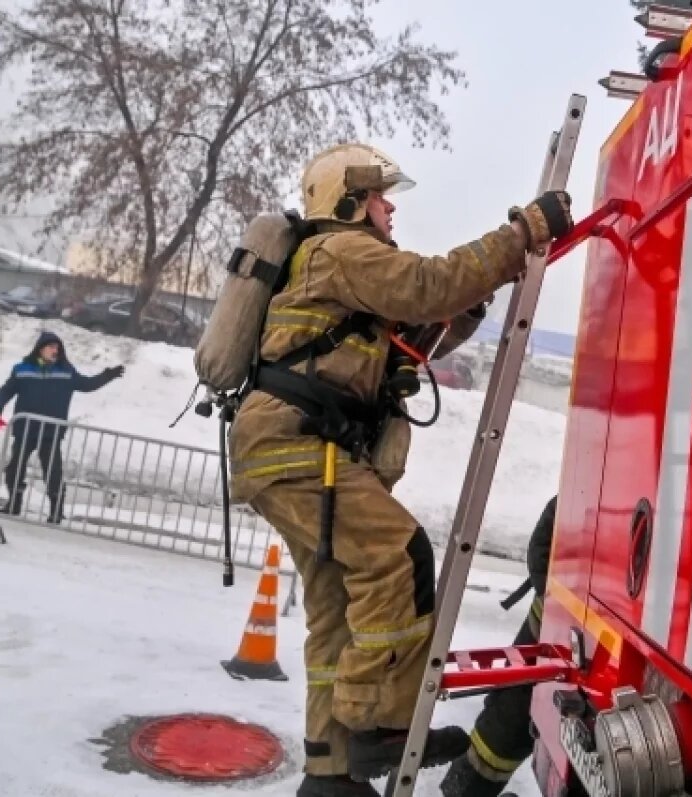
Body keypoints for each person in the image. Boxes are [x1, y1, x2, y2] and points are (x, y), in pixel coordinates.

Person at [226, 143, 572, 797]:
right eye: (378, 196)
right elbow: (426, 286)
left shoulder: (339, 271)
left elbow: (415, 332)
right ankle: (378, 724)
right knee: (400, 555)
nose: (389, 207)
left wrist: (478, 293)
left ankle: (330, 773)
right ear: (348, 202)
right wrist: (523, 232)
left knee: (336, 613)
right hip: (297, 448)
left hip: (290, 449)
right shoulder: (340, 250)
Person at [441, 496, 557, 797]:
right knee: (505, 721)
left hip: (587, 642)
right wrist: (555, 596)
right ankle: (464, 792)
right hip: (547, 634)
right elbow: (546, 540)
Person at [0, 331, 125, 523]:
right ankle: (14, 502)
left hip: (51, 432)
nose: (55, 351)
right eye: (51, 347)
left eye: (58, 348)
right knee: (15, 467)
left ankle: (56, 509)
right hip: (25, 429)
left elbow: (87, 384)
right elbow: (7, 390)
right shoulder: (22, 369)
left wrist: (107, 376)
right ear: (40, 349)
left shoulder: (66, 371)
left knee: (53, 472)